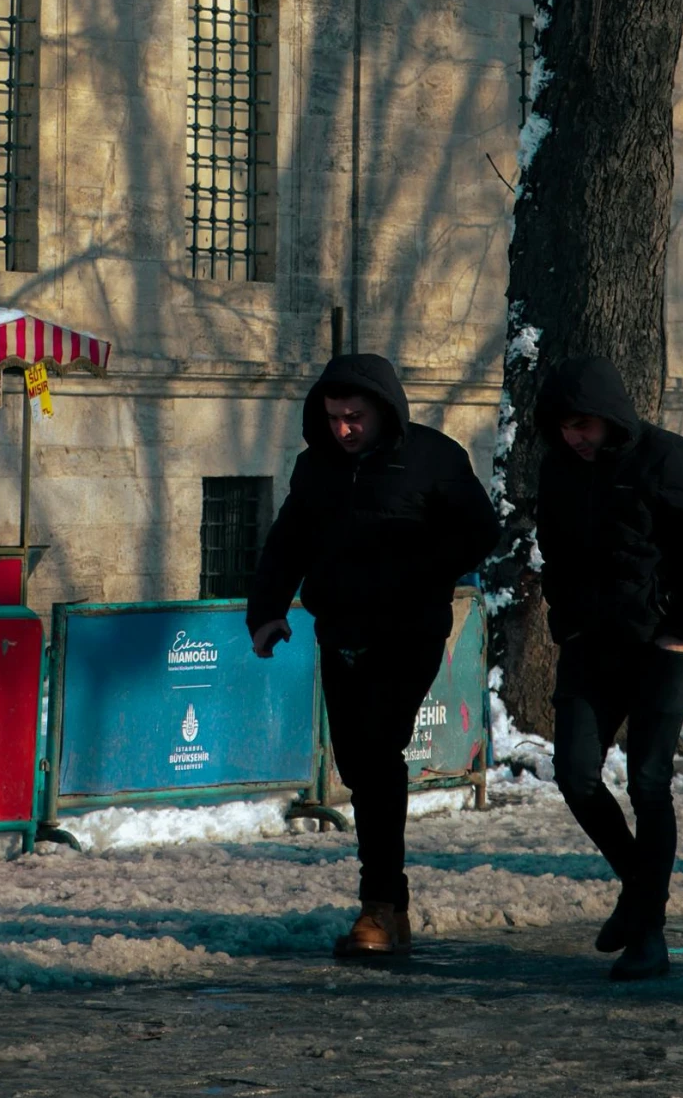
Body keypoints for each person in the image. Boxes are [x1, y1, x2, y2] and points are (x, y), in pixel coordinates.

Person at [248, 352, 500, 959]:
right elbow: (288, 541)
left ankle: (380, 906)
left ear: (383, 411)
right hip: (341, 633)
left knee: (380, 755)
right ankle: (391, 905)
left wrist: (422, 566)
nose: (344, 430)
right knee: (360, 767)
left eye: (354, 417)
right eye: (333, 418)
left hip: (409, 631)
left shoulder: (435, 458)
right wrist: (265, 611)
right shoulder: (315, 470)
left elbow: (480, 531)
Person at [535, 354, 683, 981]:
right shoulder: (558, 469)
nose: (576, 437)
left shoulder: (667, 459)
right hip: (589, 647)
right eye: (565, 427)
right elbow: (555, 549)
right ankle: (642, 895)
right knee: (575, 776)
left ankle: (646, 934)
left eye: (585, 426)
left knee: (649, 784)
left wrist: (681, 631)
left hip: (659, 649)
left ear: (609, 418)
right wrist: (564, 619)